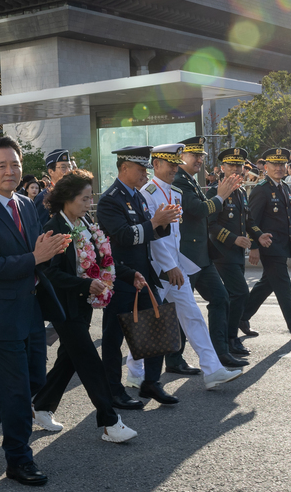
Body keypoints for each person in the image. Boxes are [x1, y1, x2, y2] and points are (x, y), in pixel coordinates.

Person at [0, 136, 71, 485]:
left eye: (16, 165)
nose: (10, 171)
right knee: (17, 393)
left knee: (35, 379)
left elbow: (35, 253)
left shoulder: (26, 204)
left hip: (30, 310)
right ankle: (19, 459)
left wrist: (47, 252)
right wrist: (35, 257)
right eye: (2, 166)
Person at [30, 170, 137, 442]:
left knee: (69, 359)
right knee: (89, 361)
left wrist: (129, 274)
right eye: (84, 198)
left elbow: (103, 259)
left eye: (91, 198)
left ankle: (41, 405)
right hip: (63, 305)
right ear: (67, 198)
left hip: (82, 304)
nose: (90, 203)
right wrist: (83, 285)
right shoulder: (55, 227)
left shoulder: (86, 223)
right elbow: (48, 272)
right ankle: (110, 422)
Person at [128, 144, 241, 391]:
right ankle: (135, 372)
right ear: (156, 165)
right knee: (148, 320)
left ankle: (212, 370)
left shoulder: (176, 193)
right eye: (170, 164)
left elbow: (174, 236)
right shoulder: (147, 193)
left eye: (176, 164)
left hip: (175, 267)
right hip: (157, 270)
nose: (173, 169)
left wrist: (179, 264)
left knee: (193, 317)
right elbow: (154, 235)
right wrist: (170, 266)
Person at [94, 145, 180, 408]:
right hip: (120, 276)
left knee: (157, 326)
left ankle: (151, 383)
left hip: (144, 275)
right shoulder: (111, 200)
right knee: (113, 339)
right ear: (124, 168)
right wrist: (154, 222)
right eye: (141, 169)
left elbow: (149, 235)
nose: (146, 173)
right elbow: (123, 236)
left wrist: (163, 222)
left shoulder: (139, 197)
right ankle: (114, 390)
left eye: (146, 168)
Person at [173, 136, 248, 370]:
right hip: (187, 256)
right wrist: (220, 197)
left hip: (201, 256)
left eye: (201, 156)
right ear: (180, 157)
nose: (199, 160)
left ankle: (221, 352)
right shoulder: (180, 180)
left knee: (221, 298)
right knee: (182, 309)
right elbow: (197, 210)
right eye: (194, 155)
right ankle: (174, 358)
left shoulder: (190, 180)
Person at [240, 147, 291, 342]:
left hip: (282, 245)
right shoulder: (261, 190)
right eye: (274, 164)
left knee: (266, 285)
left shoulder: (283, 187)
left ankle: (240, 317)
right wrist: (254, 247)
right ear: (265, 167)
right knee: (284, 288)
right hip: (269, 247)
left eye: (282, 164)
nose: (279, 168)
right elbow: (252, 222)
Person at [207, 147, 261, 356]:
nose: (237, 169)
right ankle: (230, 338)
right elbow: (210, 225)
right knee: (240, 293)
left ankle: (227, 339)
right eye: (232, 165)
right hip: (222, 253)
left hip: (237, 253)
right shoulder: (215, 192)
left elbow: (248, 221)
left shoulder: (240, 192)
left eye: (240, 165)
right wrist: (233, 239)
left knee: (233, 296)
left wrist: (259, 236)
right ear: (222, 168)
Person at [33, 148, 76, 223]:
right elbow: (41, 228)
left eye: (70, 166)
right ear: (51, 172)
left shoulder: (75, 193)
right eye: (63, 167)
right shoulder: (43, 197)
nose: (68, 171)